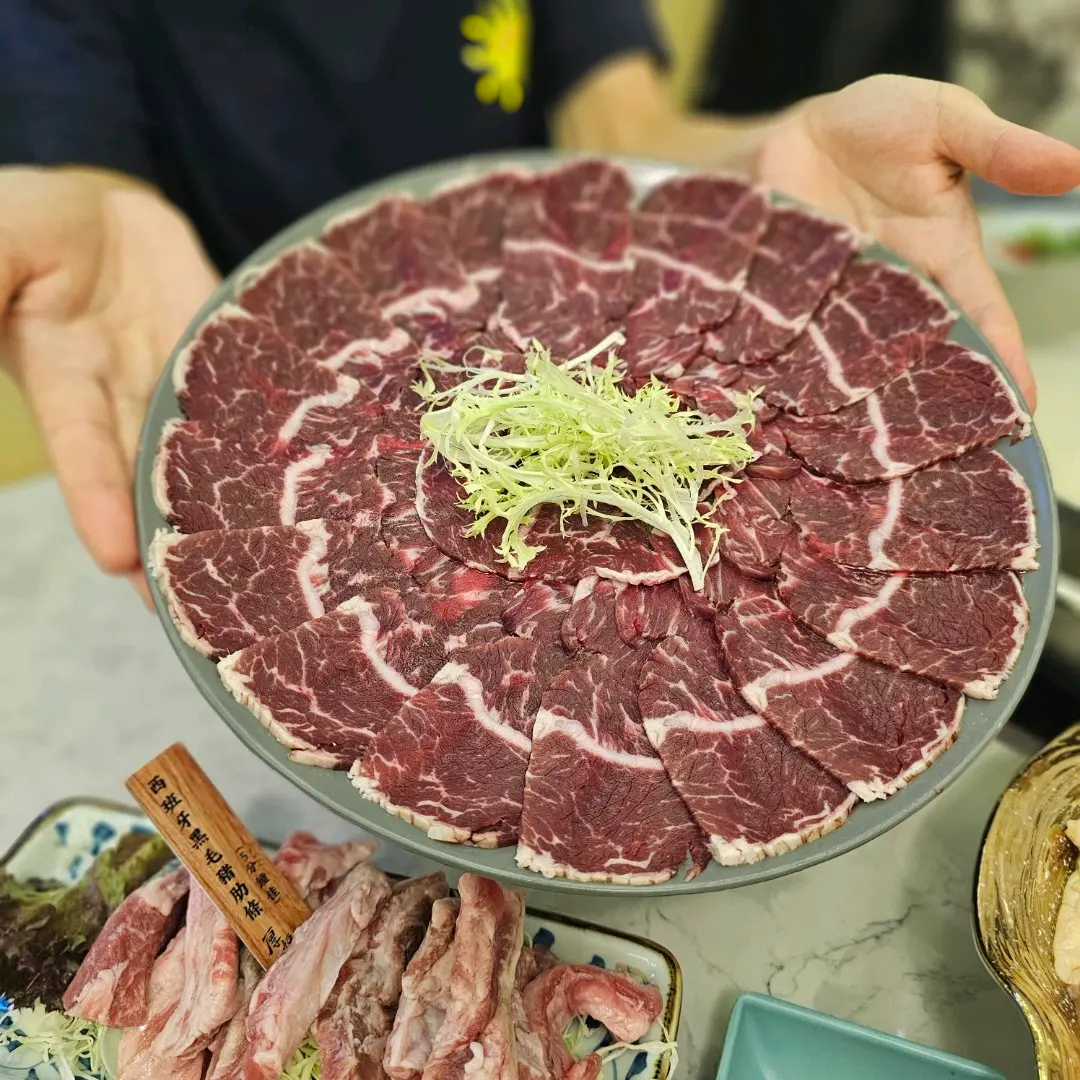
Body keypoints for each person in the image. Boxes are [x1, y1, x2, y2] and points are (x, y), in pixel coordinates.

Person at [0, 0, 1078, 603]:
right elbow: (81, 168)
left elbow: (629, 134)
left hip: (544, 345)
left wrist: (765, 163)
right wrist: (78, 203)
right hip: (302, 445)